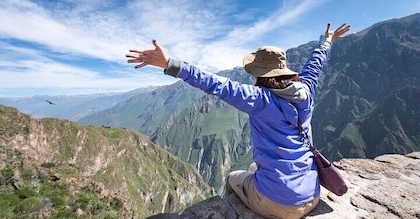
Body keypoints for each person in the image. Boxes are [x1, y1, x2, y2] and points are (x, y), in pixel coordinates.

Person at [126, 23, 350, 219]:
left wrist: (169, 63)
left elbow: (216, 84)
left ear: (260, 75)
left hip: (279, 205)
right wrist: (327, 42)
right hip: (312, 195)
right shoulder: (306, 89)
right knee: (254, 169)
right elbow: (315, 65)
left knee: (233, 177)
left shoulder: (259, 100)